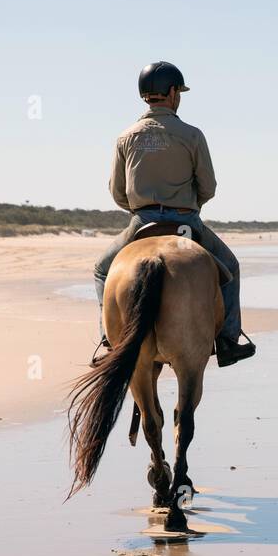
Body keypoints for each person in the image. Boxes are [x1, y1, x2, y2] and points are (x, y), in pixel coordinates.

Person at [92, 61, 255, 368]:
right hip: (186, 222)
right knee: (230, 266)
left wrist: (141, 209)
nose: (178, 95)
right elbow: (208, 186)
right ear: (171, 92)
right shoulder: (192, 134)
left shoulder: (125, 137)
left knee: (102, 270)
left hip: (141, 221)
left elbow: (117, 191)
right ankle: (229, 340)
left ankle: (106, 340)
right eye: (178, 91)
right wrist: (190, 205)